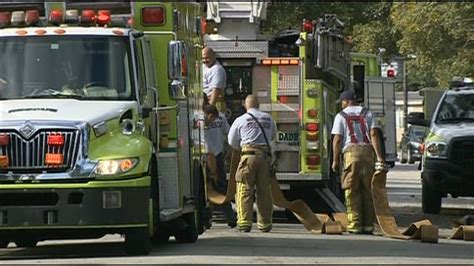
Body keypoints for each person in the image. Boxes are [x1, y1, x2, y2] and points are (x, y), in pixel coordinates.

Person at [331, 90, 384, 234]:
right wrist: (379, 157)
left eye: (342, 102)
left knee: (351, 191)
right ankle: (368, 225)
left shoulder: (340, 116)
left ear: (346, 101)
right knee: (368, 190)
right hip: (367, 154)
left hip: (351, 155)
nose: (341, 105)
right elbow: (374, 134)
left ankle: (355, 224)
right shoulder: (368, 113)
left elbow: (337, 140)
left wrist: (335, 161)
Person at [228, 95, 277, 233]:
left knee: (245, 188)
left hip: (248, 156)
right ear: (259, 104)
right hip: (265, 158)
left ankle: (244, 222)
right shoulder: (268, 118)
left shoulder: (240, 120)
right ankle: (265, 224)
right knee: (264, 191)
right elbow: (273, 136)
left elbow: (232, 141)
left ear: (245, 105)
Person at [203, 104, 237, 229]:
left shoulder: (199, 121)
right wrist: (229, 151)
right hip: (214, 156)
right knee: (220, 188)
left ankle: (207, 220)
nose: (213, 121)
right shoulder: (221, 117)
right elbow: (229, 135)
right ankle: (230, 218)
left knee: (207, 190)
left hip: (208, 157)